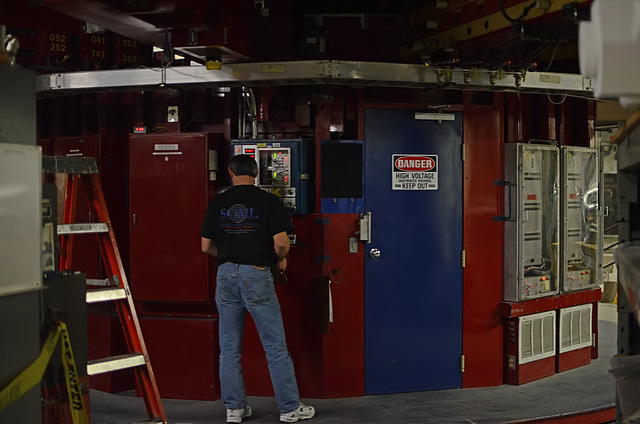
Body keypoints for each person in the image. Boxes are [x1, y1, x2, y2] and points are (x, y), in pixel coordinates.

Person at [201, 154, 315, 424]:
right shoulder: (269, 202)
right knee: (275, 347)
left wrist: (231, 256)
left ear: (229, 173)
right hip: (257, 275)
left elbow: (206, 247)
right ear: (255, 174)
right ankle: (289, 409)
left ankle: (235, 410)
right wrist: (279, 257)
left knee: (229, 348)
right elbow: (281, 243)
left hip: (225, 275)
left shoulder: (217, 203)